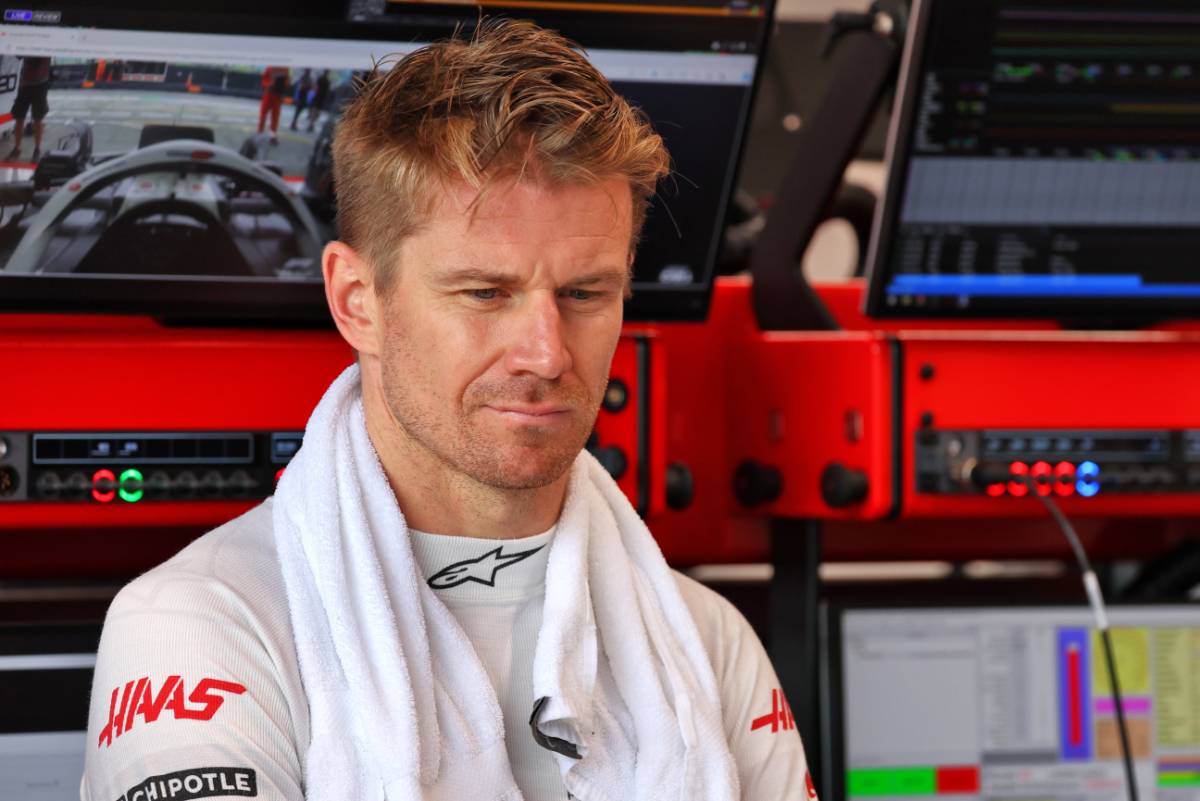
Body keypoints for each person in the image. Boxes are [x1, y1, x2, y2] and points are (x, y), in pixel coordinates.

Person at [80, 19, 814, 801]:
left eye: (584, 293)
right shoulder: (198, 626)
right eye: (486, 293)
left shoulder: (706, 641)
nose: (547, 353)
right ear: (356, 300)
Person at [7, 55, 51, 161]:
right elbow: (18, 55)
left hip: (40, 84)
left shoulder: (45, 49)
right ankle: (17, 148)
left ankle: (37, 149)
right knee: (19, 117)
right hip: (25, 85)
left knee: (37, 118)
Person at [257, 65, 289, 143]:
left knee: (274, 117)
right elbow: (264, 79)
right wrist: (268, 85)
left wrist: (283, 91)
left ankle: (271, 135)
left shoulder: (284, 68)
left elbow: (286, 81)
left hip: (276, 95)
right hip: (270, 94)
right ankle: (261, 133)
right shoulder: (272, 67)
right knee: (265, 115)